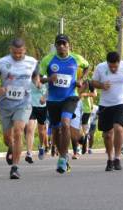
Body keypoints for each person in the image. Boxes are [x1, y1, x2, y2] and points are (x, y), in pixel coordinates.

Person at [0, 38, 40, 180]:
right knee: (7, 138)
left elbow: (36, 76)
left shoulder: (32, 62)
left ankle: (15, 167)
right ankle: (11, 147)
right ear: (11, 49)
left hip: (24, 102)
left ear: (25, 50)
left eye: (20, 53)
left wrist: (38, 83)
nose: (17, 55)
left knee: (18, 132)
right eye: (15, 53)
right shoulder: (2, 62)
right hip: (5, 104)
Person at [40, 34, 90, 174]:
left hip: (70, 96)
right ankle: (62, 154)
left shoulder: (76, 58)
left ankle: (63, 157)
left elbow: (87, 66)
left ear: (69, 45)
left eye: (64, 43)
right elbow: (38, 78)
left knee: (66, 123)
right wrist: (49, 78)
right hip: (53, 99)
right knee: (56, 130)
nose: (61, 46)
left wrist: (81, 79)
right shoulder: (48, 60)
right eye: (59, 43)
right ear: (55, 46)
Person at [91, 51, 123, 171]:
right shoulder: (100, 67)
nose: (113, 68)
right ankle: (109, 158)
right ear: (107, 63)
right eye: (111, 66)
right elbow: (93, 82)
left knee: (119, 129)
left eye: (116, 66)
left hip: (121, 103)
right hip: (105, 105)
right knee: (107, 135)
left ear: (119, 62)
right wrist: (101, 85)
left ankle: (117, 158)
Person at [27, 81, 48, 162]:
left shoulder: (46, 75)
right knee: (30, 129)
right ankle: (29, 153)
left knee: (41, 131)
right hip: (31, 105)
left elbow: (50, 89)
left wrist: (45, 97)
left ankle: (41, 146)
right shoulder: (30, 74)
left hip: (42, 106)